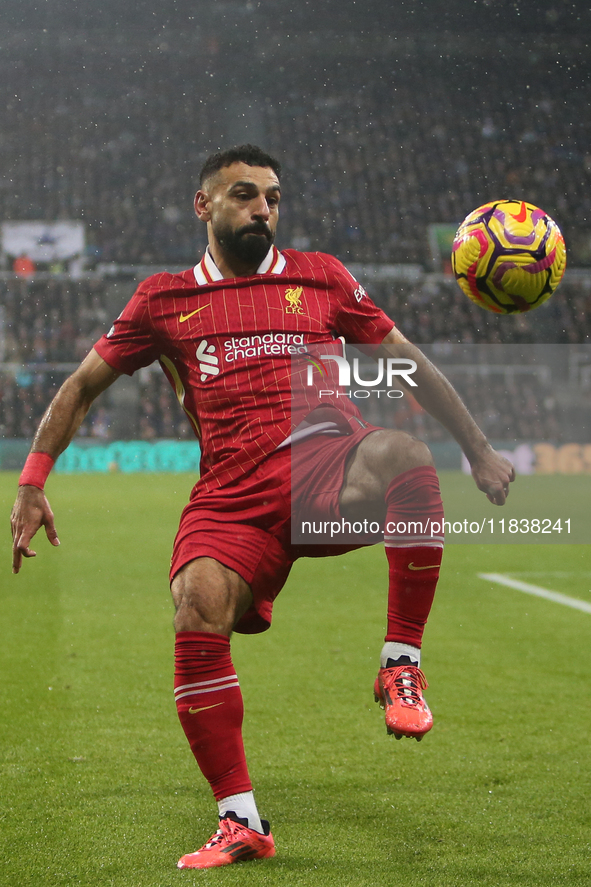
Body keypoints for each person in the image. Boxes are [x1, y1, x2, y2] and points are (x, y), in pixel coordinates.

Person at [11, 144, 515, 870]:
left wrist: (475, 446)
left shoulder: (323, 277)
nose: (262, 209)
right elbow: (82, 385)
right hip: (233, 495)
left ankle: (399, 662)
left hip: (326, 471)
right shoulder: (163, 299)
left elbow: (408, 360)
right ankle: (240, 819)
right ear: (203, 205)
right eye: (245, 195)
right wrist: (32, 481)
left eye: (272, 197)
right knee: (195, 600)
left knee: (403, 454)